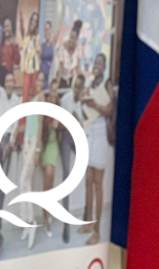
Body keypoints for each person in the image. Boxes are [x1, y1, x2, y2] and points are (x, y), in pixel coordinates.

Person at [78, 53, 113, 245]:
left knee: (98, 184)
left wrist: (95, 105)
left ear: (104, 66)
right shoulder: (91, 84)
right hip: (90, 133)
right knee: (88, 181)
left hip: (101, 136)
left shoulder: (107, 84)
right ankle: (88, 223)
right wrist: (84, 102)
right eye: (95, 63)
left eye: (100, 63)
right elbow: (87, 113)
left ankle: (97, 232)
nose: (97, 66)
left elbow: (110, 110)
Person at [0, 65, 19, 260]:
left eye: (11, 81)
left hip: (7, 142)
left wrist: (11, 144)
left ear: (13, 84)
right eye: (6, 81)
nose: (8, 84)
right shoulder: (0, 95)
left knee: (2, 188)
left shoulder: (16, 100)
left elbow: (15, 126)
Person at [17, 73, 46, 250]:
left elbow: (40, 125)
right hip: (26, 141)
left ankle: (31, 221)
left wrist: (37, 149)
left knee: (23, 181)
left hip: (34, 142)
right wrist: (18, 130)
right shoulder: (32, 98)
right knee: (25, 184)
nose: (40, 83)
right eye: (38, 80)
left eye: (42, 80)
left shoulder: (41, 98)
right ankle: (27, 223)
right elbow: (30, 123)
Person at [57, 73, 87, 243]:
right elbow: (60, 123)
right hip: (66, 138)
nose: (77, 90)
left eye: (79, 88)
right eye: (76, 86)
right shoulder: (66, 99)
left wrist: (79, 121)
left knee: (88, 166)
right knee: (66, 175)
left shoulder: (83, 101)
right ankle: (66, 225)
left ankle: (86, 212)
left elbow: (84, 125)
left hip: (77, 137)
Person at [40, 89, 62, 237]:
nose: (53, 99)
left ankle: (47, 214)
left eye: (55, 97)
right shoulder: (44, 112)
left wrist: (58, 124)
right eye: (51, 97)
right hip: (45, 146)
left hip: (53, 146)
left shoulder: (59, 112)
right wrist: (49, 125)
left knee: (50, 180)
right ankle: (46, 217)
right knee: (47, 181)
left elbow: (62, 126)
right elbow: (40, 129)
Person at [52, 19, 83, 91]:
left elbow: (78, 68)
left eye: (73, 38)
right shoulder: (63, 48)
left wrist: (83, 81)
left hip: (70, 79)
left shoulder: (78, 49)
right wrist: (57, 84)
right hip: (61, 78)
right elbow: (61, 68)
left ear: (77, 39)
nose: (71, 40)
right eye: (70, 37)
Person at [20, 11, 41, 104]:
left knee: (35, 95)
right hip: (26, 70)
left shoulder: (37, 38)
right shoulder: (26, 36)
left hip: (34, 70)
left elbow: (39, 54)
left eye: (35, 21)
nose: (33, 22)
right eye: (32, 20)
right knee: (25, 95)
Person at [0, 16, 21, 83]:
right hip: (0, 74)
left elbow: (17, 61)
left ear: (11, 27)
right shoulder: (0, 43)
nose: (6, 29)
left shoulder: (14, 44)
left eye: (8, 26)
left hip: (9, 76)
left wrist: (16, 48)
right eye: (4, 27)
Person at [40, 19, 55, 88]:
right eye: (45, 30)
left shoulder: (53, 44)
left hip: (49, 76)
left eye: (48, 29)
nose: (47, 32)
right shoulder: (41, 46)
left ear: (51, 30)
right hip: (42, 76)